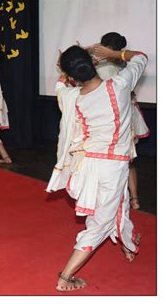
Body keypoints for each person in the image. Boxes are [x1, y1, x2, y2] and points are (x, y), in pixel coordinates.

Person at [47, 45, 147, 292]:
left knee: (119, 202)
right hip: (112, 167)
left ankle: (126, 243)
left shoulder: (71, 97)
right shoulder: (119, 86)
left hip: (89, 166)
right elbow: (141, 58)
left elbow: (60, 86)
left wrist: (65, 68)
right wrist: (112, 54)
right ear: (94, 63)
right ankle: (65, 276)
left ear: (72, 77)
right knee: (100, 223)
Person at [94, 32, 150, 210]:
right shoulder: (126, 65)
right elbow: (141, 57)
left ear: (106, 47)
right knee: (128, 159)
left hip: (109, 119)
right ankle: (134, 199)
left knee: (108, 160)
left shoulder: (102, 68)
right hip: (126, 118)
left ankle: (112, 201)